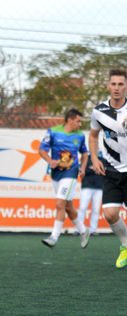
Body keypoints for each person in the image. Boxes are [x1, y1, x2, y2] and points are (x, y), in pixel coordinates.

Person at [89, 68, 127, 268]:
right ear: (108, 86)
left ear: (126, 86)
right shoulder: (99, 111)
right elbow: (93, 137)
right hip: (111, 171)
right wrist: (94, 158)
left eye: (121, 84)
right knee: (111, 214)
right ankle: (125, 245)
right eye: (114, 84)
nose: (117, 88)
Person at [39, 109, 90, 249]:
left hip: (71, 173)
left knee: (60, 203)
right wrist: (50, 161)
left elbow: (85, 154)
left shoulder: (80, 136)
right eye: (78, 121)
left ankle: (53, 237)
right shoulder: (53, 131)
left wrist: (83, 168)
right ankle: (84, 231)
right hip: (56, 174)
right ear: (70, 120)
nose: (80, 124)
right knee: (67, 206)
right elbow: (41, 149)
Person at [76, 154, 104, 235]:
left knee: (96, 209)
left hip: (99, 188)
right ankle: (78, 229)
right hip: (87, 187)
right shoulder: (86, 159)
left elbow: (103, 171)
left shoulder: (102, 160)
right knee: (82, 208)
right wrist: (95, 169)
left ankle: (93, 229)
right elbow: (83, 170)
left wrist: (91, 168)